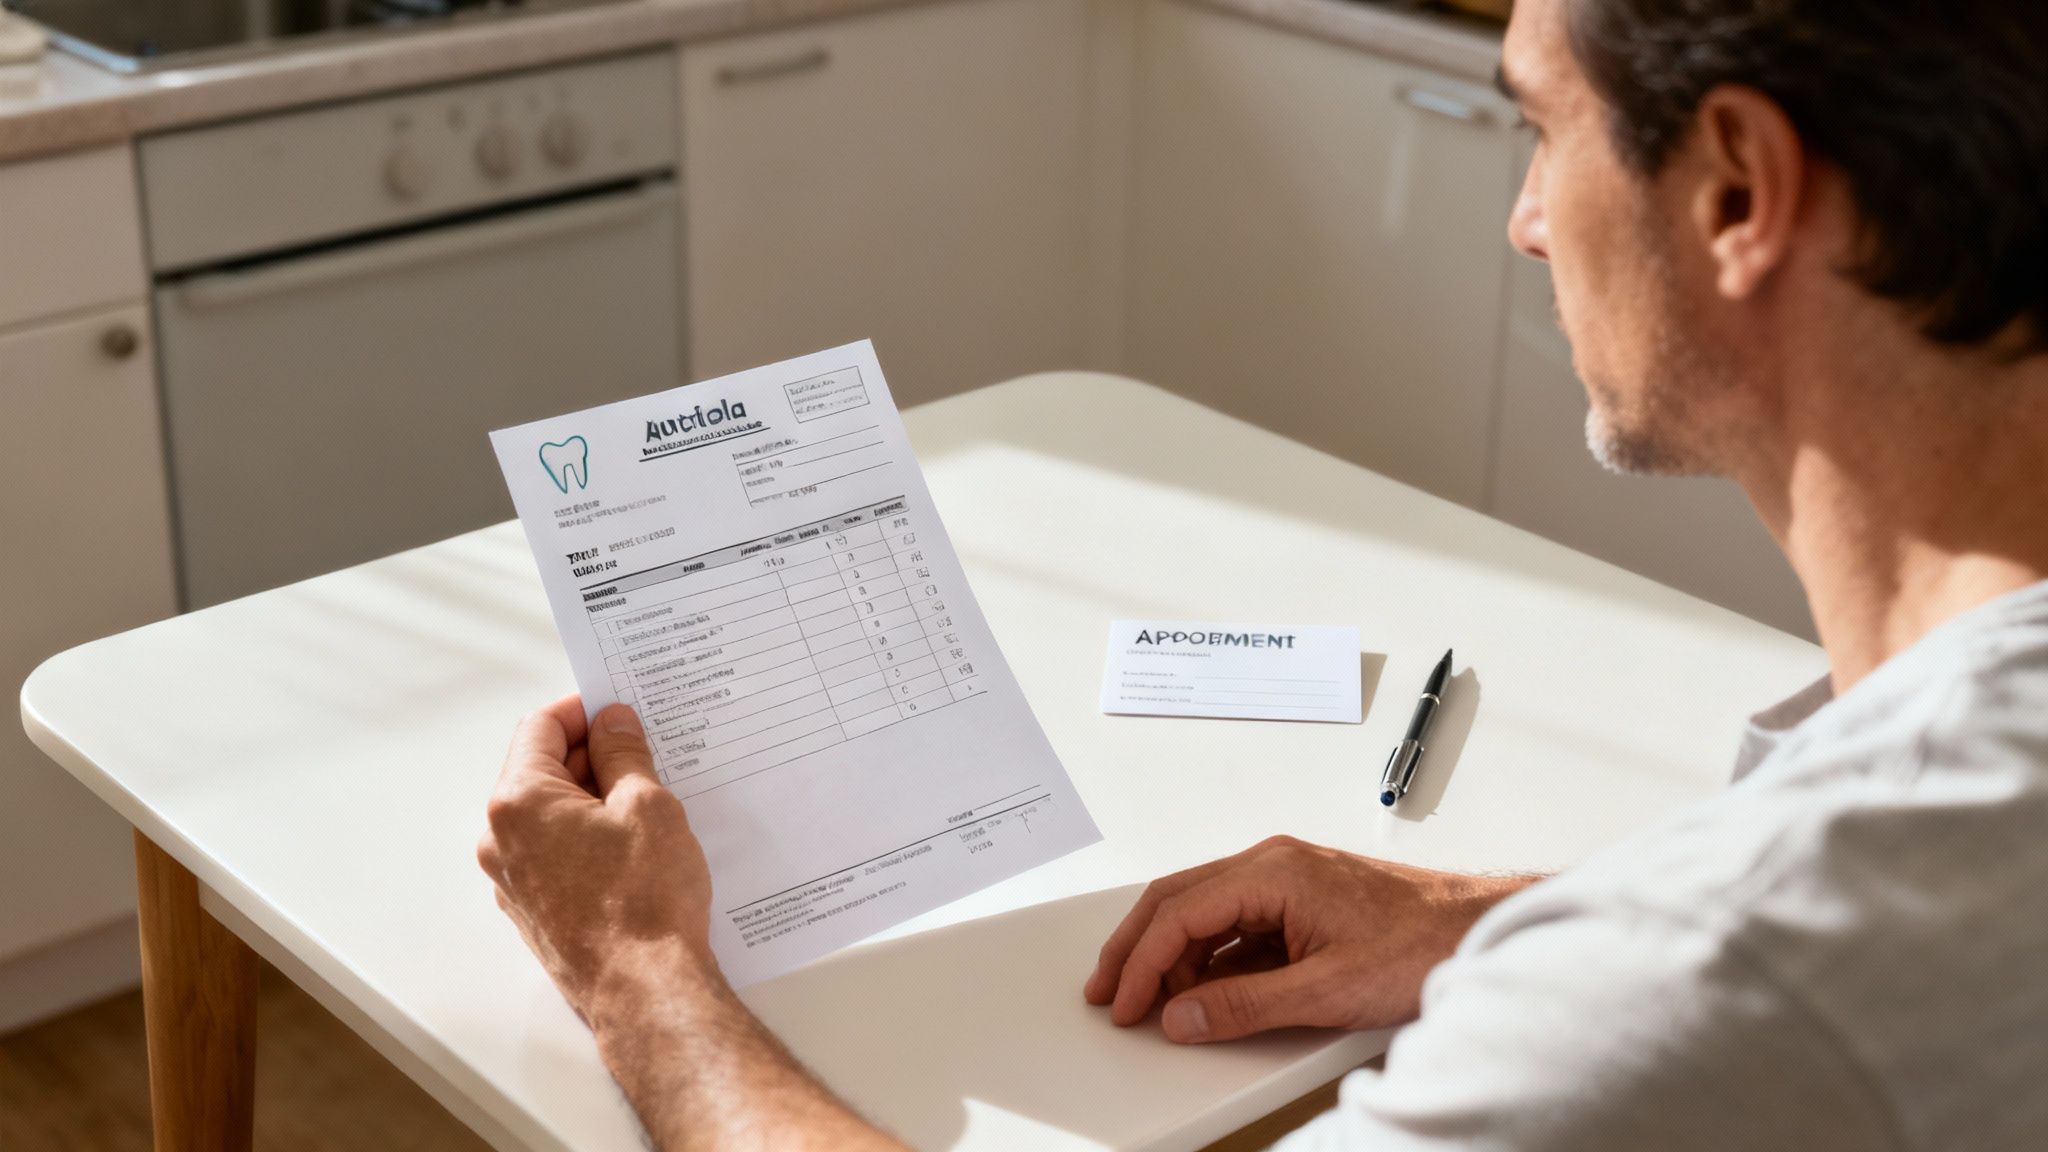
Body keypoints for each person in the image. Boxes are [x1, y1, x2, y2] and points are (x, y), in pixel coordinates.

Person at [474, 0, 2048, 1146]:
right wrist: (1478, 919)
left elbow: (1761, 970)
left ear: (1734, 192)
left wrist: (642, 975)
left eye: (1541, 124)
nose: (1524, 222)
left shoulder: (1729, 978)